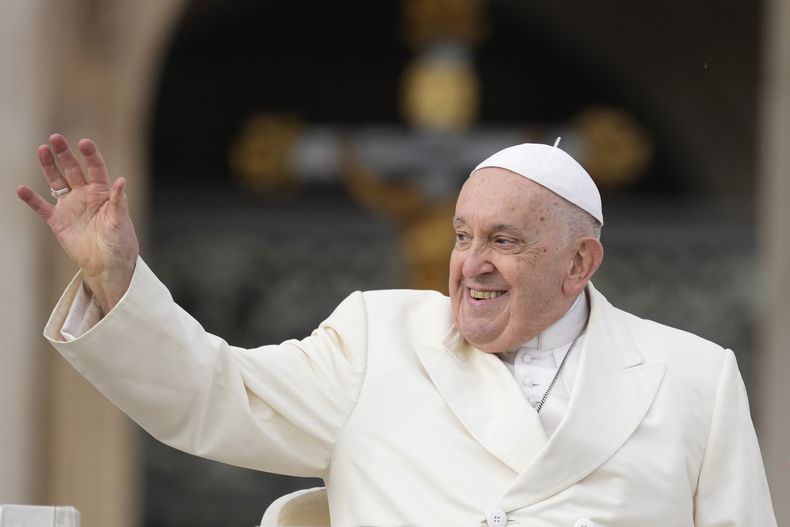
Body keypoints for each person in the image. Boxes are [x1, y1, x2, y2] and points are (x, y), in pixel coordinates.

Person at [17, 134, 776, 526]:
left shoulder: (693, 378)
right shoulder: (379, 337)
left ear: (581, 262)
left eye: (505, 241)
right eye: (461, 235)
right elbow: (214, 394)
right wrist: (115, 276)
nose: (470, 265)